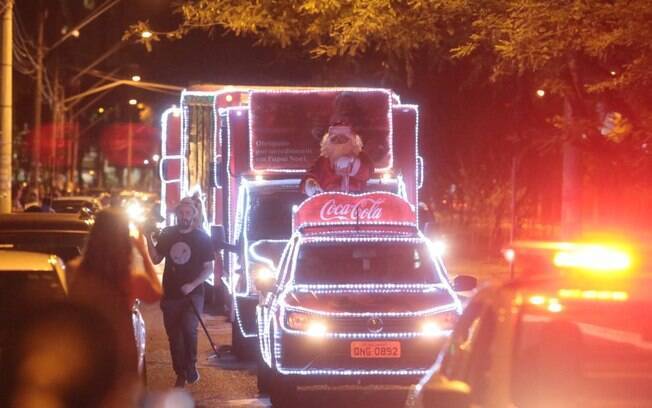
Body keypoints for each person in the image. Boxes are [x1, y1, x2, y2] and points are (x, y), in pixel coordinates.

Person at [66, 208, 162, 399]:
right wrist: (143, 251)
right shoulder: (130, 278)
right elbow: (156, 294)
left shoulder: (74, 271)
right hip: (120, 350)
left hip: (85, 346)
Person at [145, 197, 214, 387]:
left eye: (187, 213)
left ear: (193, 215)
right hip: (171, 294)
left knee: (189, 329)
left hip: (194, 294)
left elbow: (209, 268)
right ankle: (180, 373)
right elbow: (156, 258)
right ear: (176, 215)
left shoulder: (202, 238)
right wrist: (147, 238)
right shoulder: (168, 234)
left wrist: (193, 285)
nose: (184, 217)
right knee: (174, 337)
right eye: (181, 213)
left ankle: (191, 366)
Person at [300, 119, 373, 196]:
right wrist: (310, 184)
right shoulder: (323, 160)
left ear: (352, 141)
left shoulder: (360, 156)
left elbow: (367, 173)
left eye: (343, 138)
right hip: (329, 201)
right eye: (334, 139)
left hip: (355, 200)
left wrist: (353, 163)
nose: (338, 142)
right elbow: (310, 175)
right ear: (328, 142)